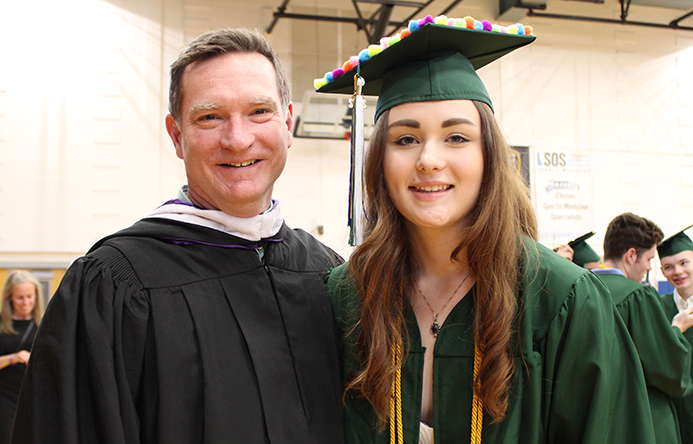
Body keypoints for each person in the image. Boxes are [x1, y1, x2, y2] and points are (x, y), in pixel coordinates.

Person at [317, 15, 656, 444]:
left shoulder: (562, 299)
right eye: (405, 139)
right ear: (379, 162)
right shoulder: (347, 298)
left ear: (488, 157)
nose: (429, 160)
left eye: (457, 138)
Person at [12, 29, 344, 444]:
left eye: (259, 111)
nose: (238, 139)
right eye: (210, 116)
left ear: (287, 123)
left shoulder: (328, 274)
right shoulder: (114, 285)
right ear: (176, 136)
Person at [591, 212, 693, 444]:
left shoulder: (579, 290)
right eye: (649, 260)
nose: (648, 268)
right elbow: (668, 369)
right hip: (639, 419)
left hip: (596, 418)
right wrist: (676, 330)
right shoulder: (638, 296)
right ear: (631, 255)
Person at [658, 226, 693, 443]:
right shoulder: (659, 307)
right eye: (668, 267)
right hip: (675, 407)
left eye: (684, 263)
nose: (677, 272)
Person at [0, 271, 43, 443]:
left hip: (35, 397)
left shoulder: (45, 324)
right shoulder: (2, 326)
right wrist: (13, 357)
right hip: (5, 398)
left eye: (29, 297)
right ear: (10, 297)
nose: (26, 303)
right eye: (20, 298)